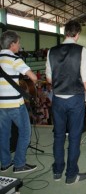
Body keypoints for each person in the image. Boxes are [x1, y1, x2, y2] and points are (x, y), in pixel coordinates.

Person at [45, 20, 86, 185]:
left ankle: (58, 171)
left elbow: (49, 78)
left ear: (64, 33)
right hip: (75, 99)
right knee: (74, 137)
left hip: (58, 99)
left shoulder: (51, 51)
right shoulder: (81, 51)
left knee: (58, 136)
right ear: (77, 34)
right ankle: (71, 175)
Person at [0, 31, 37, 173]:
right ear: (12, 45)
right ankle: (19, 164)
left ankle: (5, 163)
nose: (20, 46)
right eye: (18, 43)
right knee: (25, 132)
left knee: (4, 134)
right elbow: (33, 77)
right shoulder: (15, 59)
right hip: (15, 104)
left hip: (1, 104)